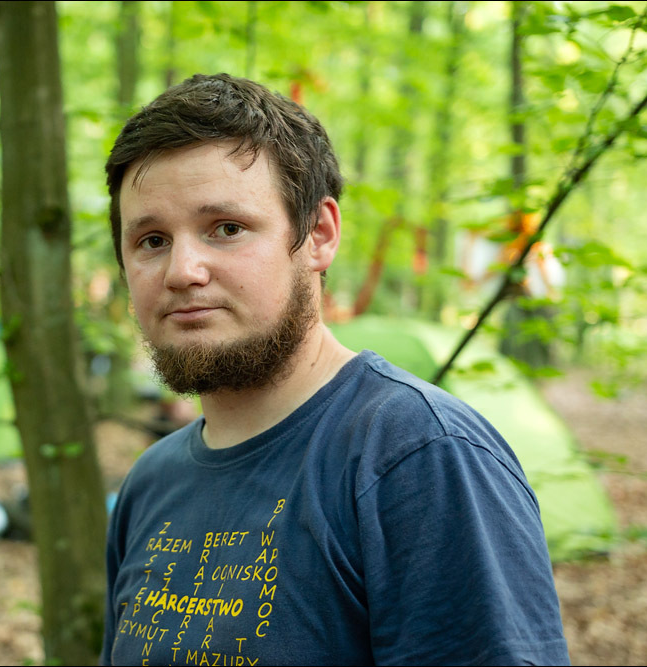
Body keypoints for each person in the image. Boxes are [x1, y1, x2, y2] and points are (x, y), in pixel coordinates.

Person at [100, 74, 570, 666]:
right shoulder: (150, 484)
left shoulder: (418, 458)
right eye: (151, 240)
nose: (182, 271)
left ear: (319, 235)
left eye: (227, 229)